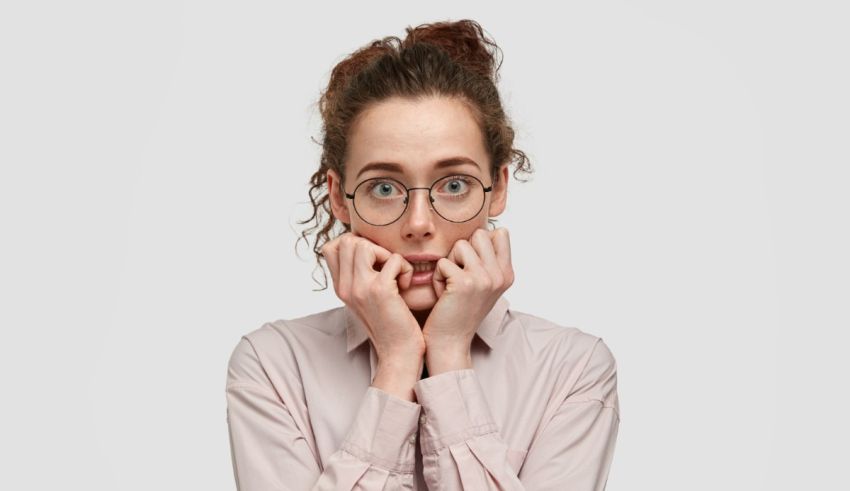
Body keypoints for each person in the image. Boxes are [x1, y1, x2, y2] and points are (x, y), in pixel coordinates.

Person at [225, 18, 620, 490]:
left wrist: (450, 355)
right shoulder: (273, 366)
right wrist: (396, 361)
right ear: (338, 196)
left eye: (454, 185)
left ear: (498, 189)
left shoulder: (572, 369)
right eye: (384, 187)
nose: (418, 224)